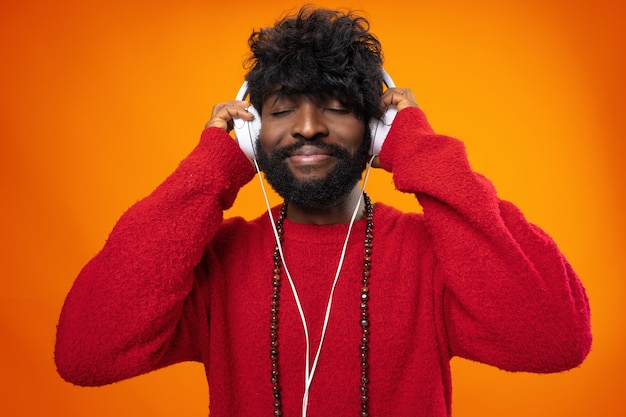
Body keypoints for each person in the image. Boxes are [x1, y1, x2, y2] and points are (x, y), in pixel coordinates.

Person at [54, 6, 592, 417]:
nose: (308, 126)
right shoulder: (216, 264)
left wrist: (420, 151)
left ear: (377, 129)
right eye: (282, 109)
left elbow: (556, 339)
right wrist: (210, 168)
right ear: (250, 132)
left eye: (337, 108)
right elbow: (85, 355)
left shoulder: (433, 255)